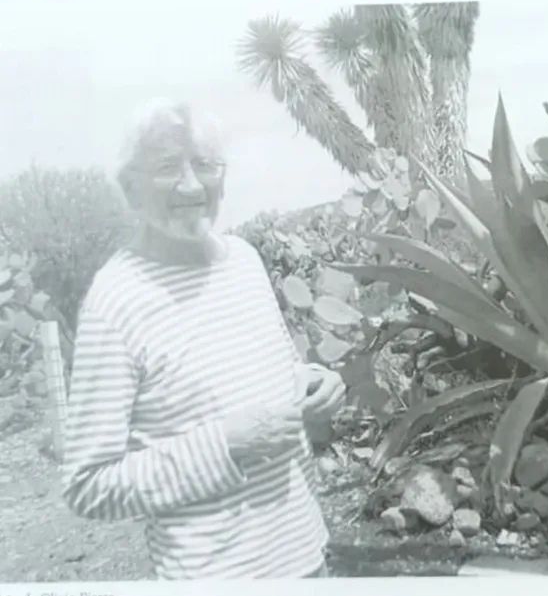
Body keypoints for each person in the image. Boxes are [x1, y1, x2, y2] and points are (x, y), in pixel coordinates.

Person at [61, 98, 345, 579]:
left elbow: (261, 378)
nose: (192, 185)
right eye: (167, 167)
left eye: (205, 165)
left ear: (223, 178)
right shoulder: (115, 303)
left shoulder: (244, 261)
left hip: (307, 556)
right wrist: (224, 445)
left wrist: (316, 386)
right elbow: (88, 486)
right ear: (130, 189)